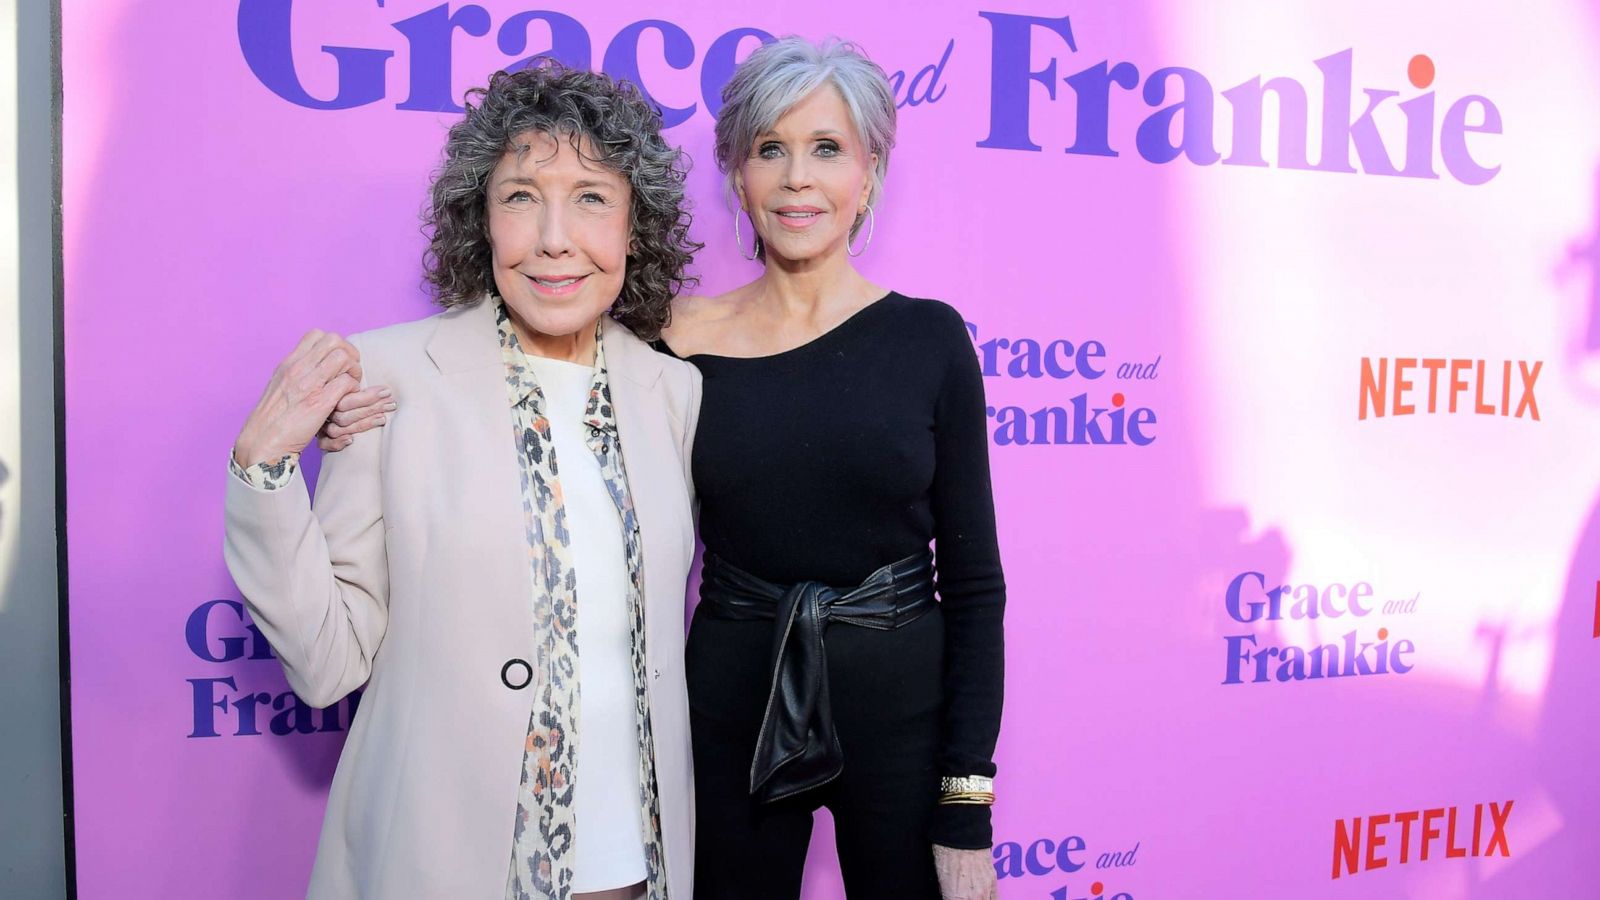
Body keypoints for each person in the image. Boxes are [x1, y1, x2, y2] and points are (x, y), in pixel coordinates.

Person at [223, 61, 702, 900]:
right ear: (482, 221)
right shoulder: (390, 376)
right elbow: (327, 663)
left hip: (635, 864)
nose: (556, 236)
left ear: (637, 225)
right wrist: (262, 472)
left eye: (591, 196)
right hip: (440, 862)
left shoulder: (673, 393)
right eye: (521, 196)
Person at [655, 36, 1006, 900]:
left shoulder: (930, 339)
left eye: (826, 149)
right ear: (737, 174)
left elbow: (973, 584)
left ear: (870, 173)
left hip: (903, 716)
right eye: (769, 149)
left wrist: (966, 804)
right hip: (730, 705)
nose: (796, 178)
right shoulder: (674, 342)